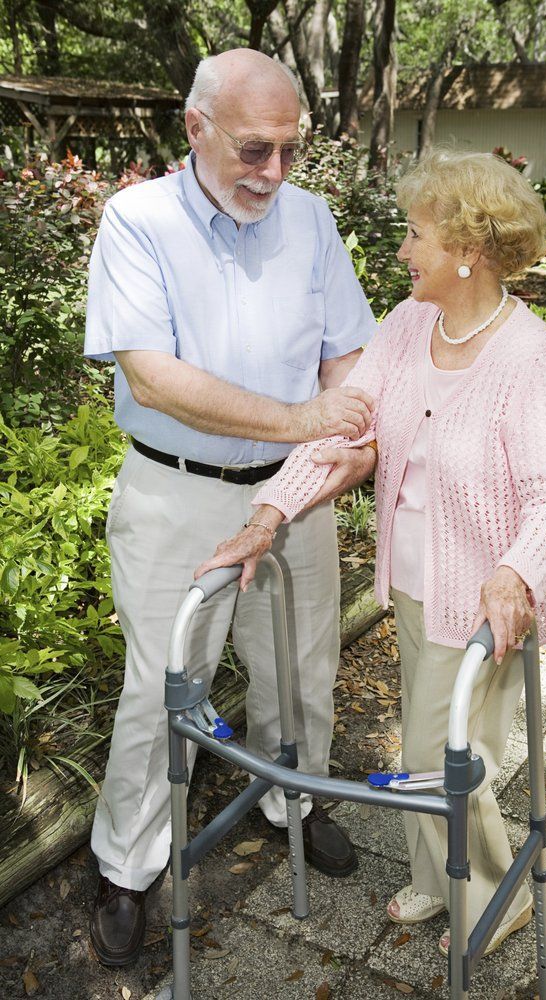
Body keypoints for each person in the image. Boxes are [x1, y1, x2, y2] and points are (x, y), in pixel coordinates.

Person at [196, 149, 546, 957]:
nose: (402, 251)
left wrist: (514, 573)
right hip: (410, 584)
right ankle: (437, 875)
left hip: (483, 602)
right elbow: (348, 426)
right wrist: (267, 514)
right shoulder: (409, 327)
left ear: (466, 250)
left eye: (415, 236)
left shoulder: (527, 354)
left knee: (439, 756)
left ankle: (489, 898)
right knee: (433, 746)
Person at [83, 48, 379, 967]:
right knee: (162, 686)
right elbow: (154, 377)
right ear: (195, 127)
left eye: (289, 149)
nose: (274, 173)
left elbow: (348, 362)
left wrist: (334, 440)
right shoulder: (137, 220)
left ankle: (295, 798)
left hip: (293, 497)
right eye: (255, 150)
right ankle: (127, 867)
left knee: (301, 668)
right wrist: (300, 416)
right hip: (177, 493)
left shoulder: (313, 220)